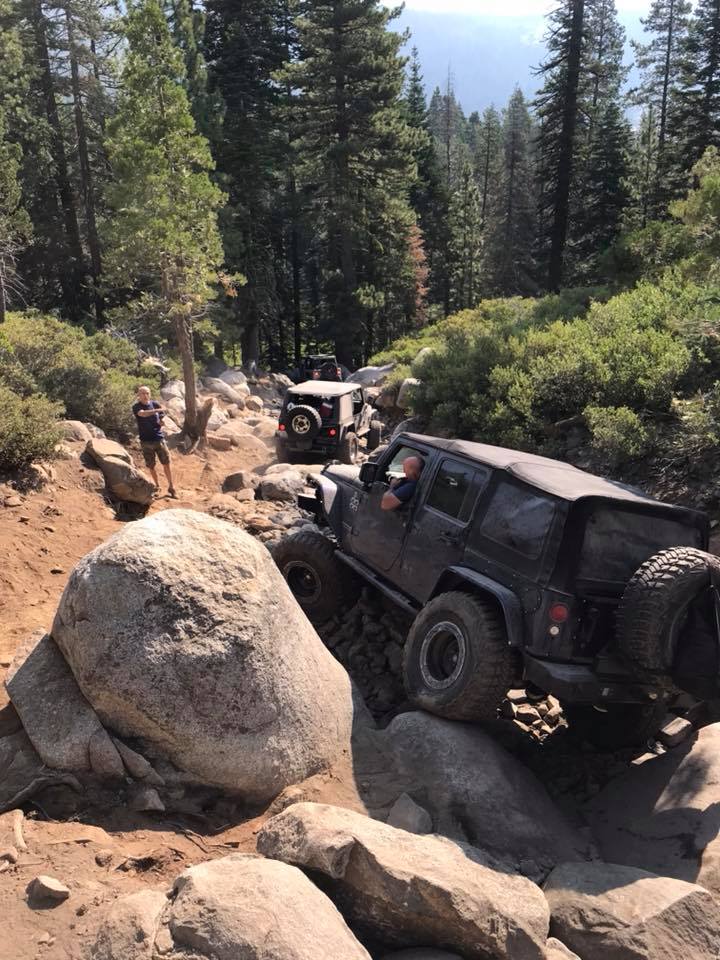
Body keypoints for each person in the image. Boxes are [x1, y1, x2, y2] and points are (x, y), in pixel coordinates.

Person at [132, 385, 177, 498]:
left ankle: (171, 487)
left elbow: (161, 416)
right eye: (142, 393)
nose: (145, 395)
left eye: (147, 393)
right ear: (138, 395)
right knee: (151, 465)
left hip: (158, 438)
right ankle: (157, 486)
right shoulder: (137, 407)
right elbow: (142, 414)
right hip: (146, 441)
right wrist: (157, 410)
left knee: (166, 463)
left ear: (150, 394)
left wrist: (161, 421)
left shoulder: (155, 404)